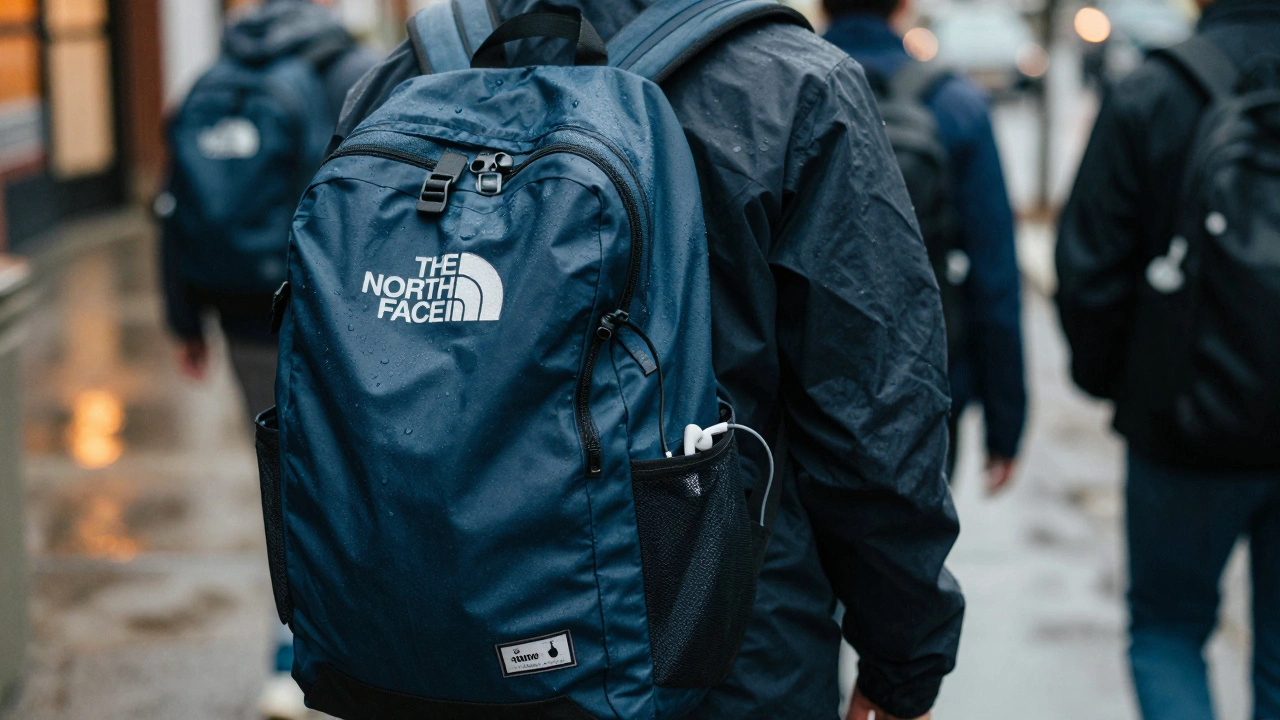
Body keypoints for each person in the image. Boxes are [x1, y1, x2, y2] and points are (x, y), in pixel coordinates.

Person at [332, 1, 964, 718]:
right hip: (712, 656)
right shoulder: (791, 86)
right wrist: (903, 656)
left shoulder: (401, 80)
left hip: (422, 654)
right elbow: (874, 408)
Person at [1056, 1, 1280, 718]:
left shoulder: (1153, 91)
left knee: (1168, 631)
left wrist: (1122, 385)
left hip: (1182, 425)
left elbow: (1089, 270)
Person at [157, 1, 377, 718]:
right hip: (331, 311)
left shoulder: (214, 74)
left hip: (241, 315)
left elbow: (172, 202)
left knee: (281, 477)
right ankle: (346, 651)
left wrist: (185, 318)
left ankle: (287, 657)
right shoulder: (351, 71)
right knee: (350, 482)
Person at [823, 0, 1027, 493]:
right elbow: (995, 275)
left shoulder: (774, 91)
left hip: (806, 388)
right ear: (905, 6)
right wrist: (1005, 423)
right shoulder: (956, 103)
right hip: (927, 385)